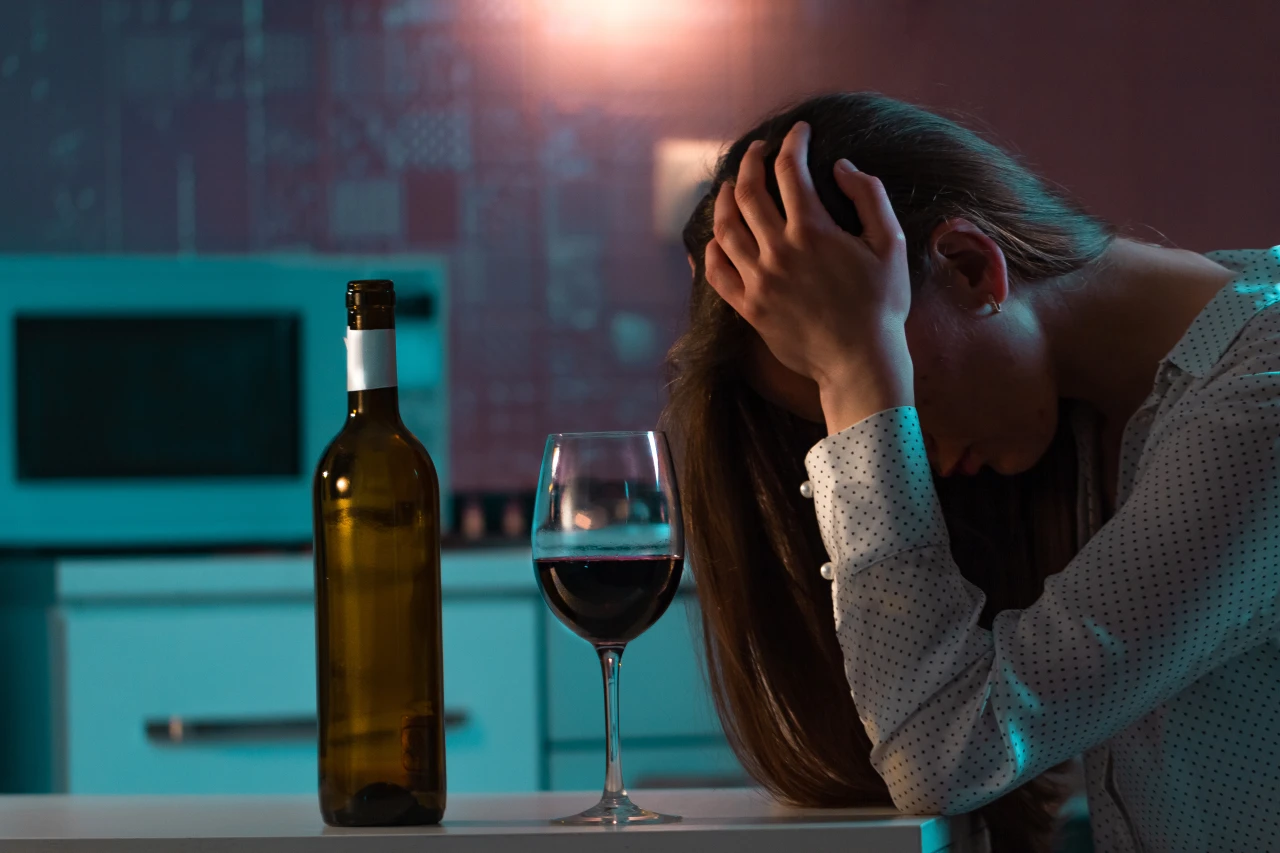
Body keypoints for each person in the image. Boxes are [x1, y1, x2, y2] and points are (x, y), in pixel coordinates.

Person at [663, 92, 1280, 853]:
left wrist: (863, 370)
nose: (900, 450)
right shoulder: (1112, 418)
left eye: (885, 384)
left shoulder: (1260, 403)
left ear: (969, 268)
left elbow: (945, 755)